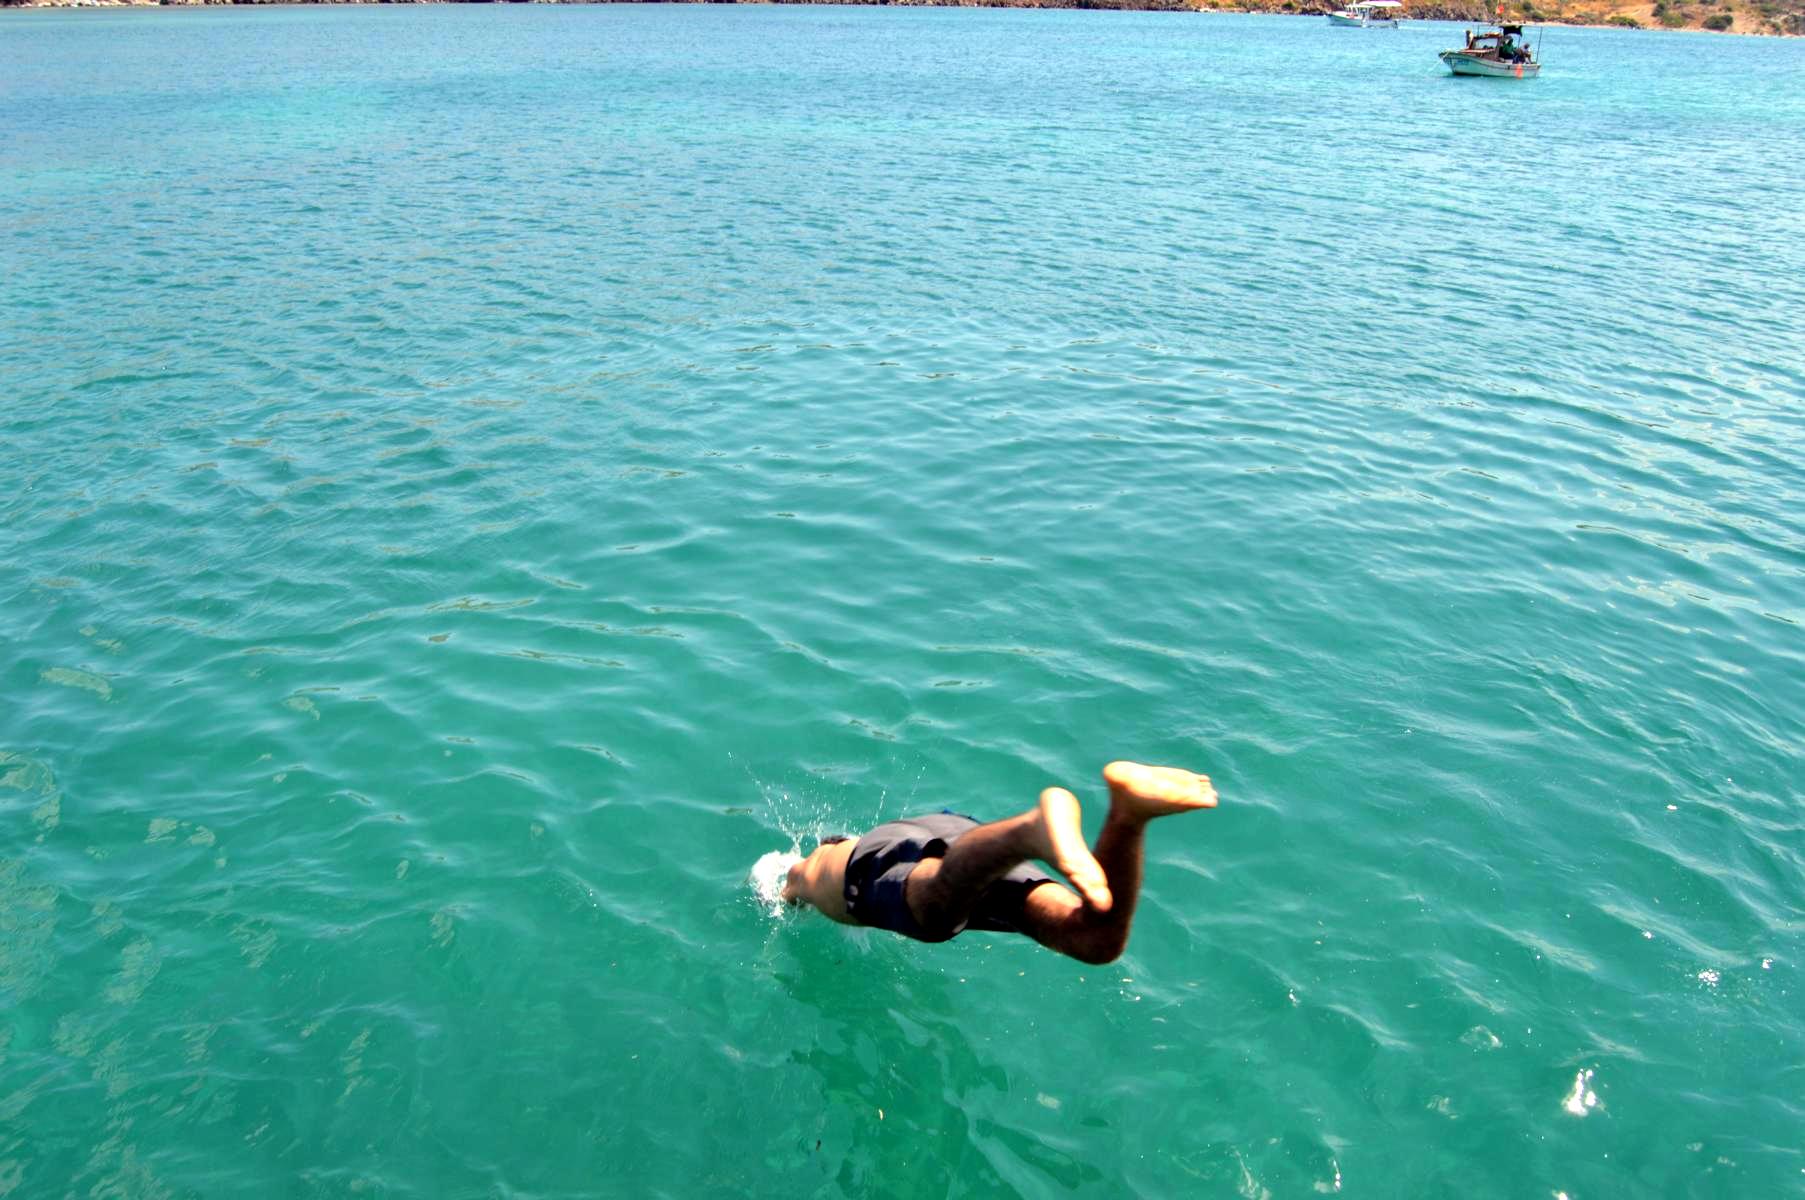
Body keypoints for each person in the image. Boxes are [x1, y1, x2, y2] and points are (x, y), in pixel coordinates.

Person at [780, 761, 1217, 965]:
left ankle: (1028, 832)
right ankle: (1129, 814)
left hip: (945, 849)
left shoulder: (822, 865)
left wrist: (785, 897)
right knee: (1095, 940)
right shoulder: (880, 846)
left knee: (932, 914)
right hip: (969, 838)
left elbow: (788, 888)